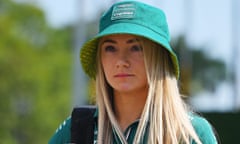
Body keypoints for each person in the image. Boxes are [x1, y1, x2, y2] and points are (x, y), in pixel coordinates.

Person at [49, 1, 218, 144]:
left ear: (158, 58)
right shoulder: (77, 129)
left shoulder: (189, 133)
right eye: (110, 48)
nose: (121, 61)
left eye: (136, 47)